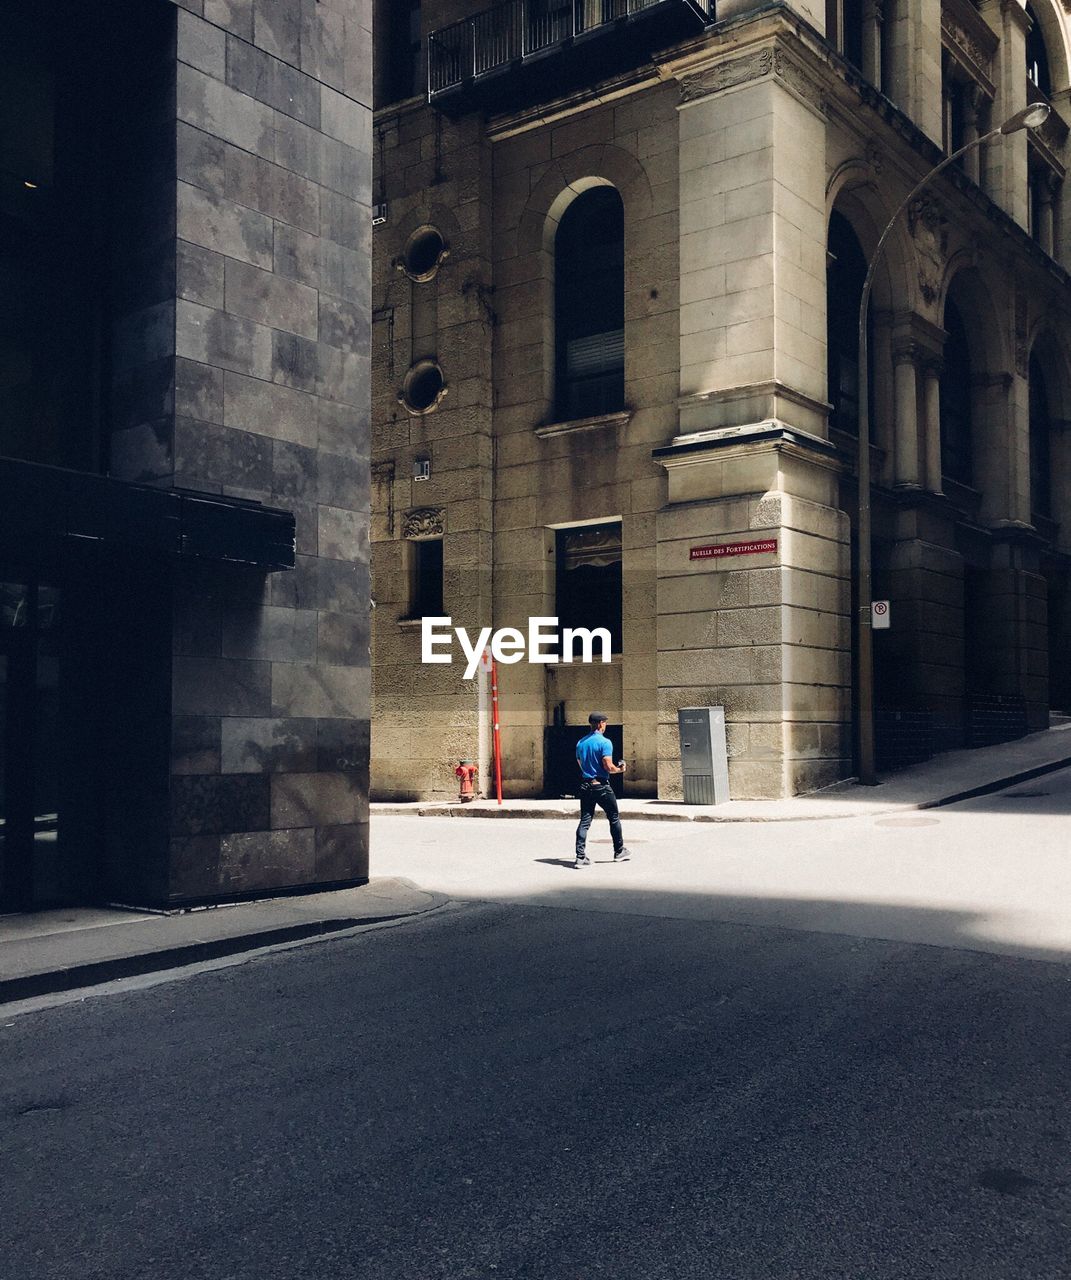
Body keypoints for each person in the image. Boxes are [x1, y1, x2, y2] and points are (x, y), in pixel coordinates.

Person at [574, 712, 631, 868]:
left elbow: (580, 763)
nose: (605, 725)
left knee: (585, 821)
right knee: (613, 817)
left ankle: (580, 857)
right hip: (601, 786)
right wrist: (620, 769)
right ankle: (619, 851)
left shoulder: (581, 742)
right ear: (600, 724)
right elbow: (608, 766)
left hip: (586, 785)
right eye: (605, 722)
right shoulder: (605, 742)